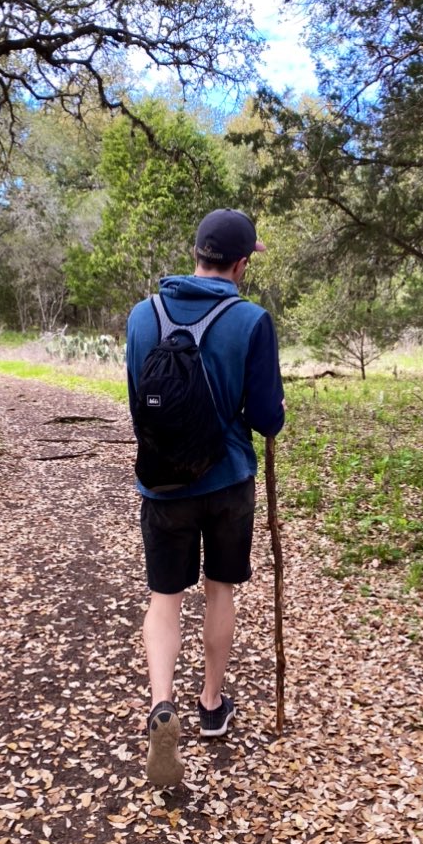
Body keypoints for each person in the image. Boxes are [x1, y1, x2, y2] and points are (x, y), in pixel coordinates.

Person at [126, 209, 286, 787]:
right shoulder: (250, 321)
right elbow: (268, 418)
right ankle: (212, 706)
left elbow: (137, 403)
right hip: (227, 486)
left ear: (196, 254)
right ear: (240, 264)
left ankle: (161, 705)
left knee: (163, 599)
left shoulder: (143, 316)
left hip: (163, 485)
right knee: (220, 591)